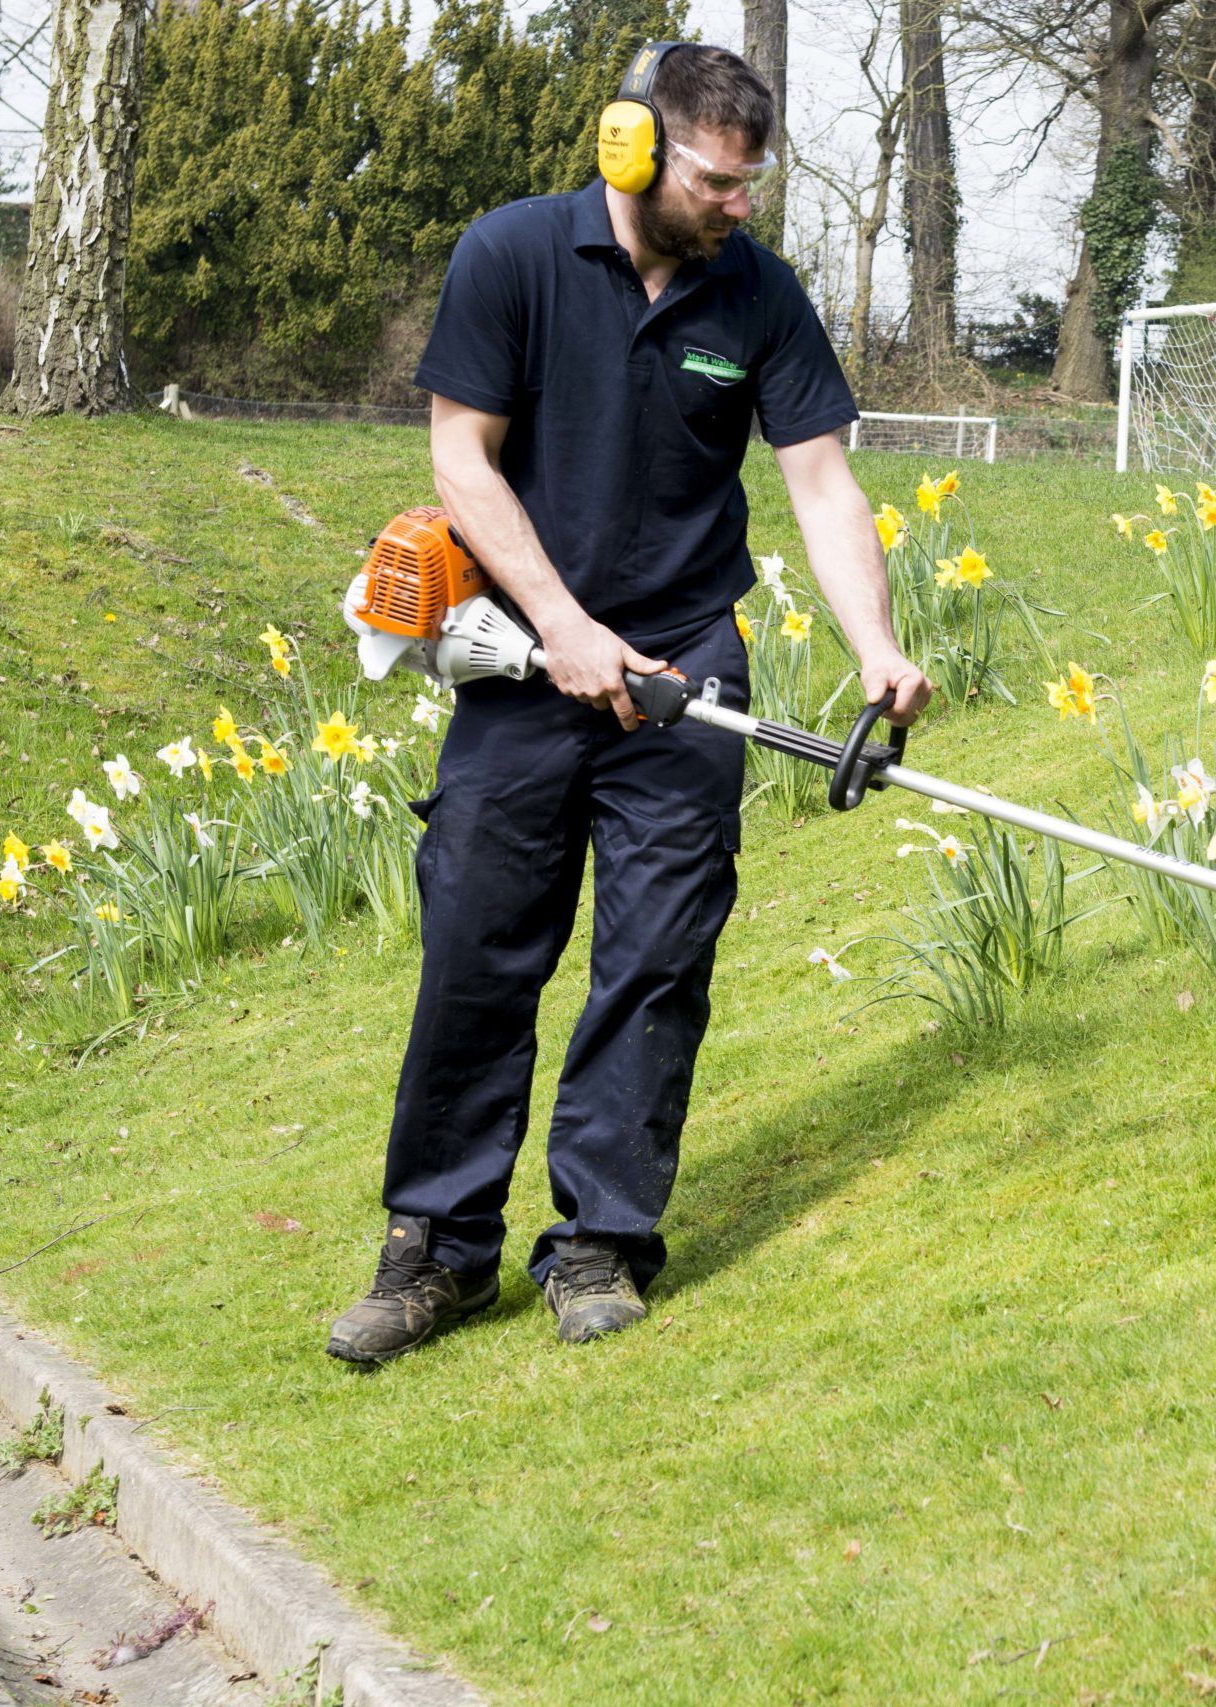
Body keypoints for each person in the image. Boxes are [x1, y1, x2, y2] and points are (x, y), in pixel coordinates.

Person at [328, 41, 932, 1364]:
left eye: (750, 183)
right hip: (528, 668)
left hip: (685, 673)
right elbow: (459, 457)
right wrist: (564, 624)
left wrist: (876, 642)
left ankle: (599, 1240)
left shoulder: (757, 296)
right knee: (479, 948)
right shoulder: (512, 257)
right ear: (634, 148)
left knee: (658, 957)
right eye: (718, 180)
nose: (738, 205)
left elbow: (821, 484)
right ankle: (437, 1248)